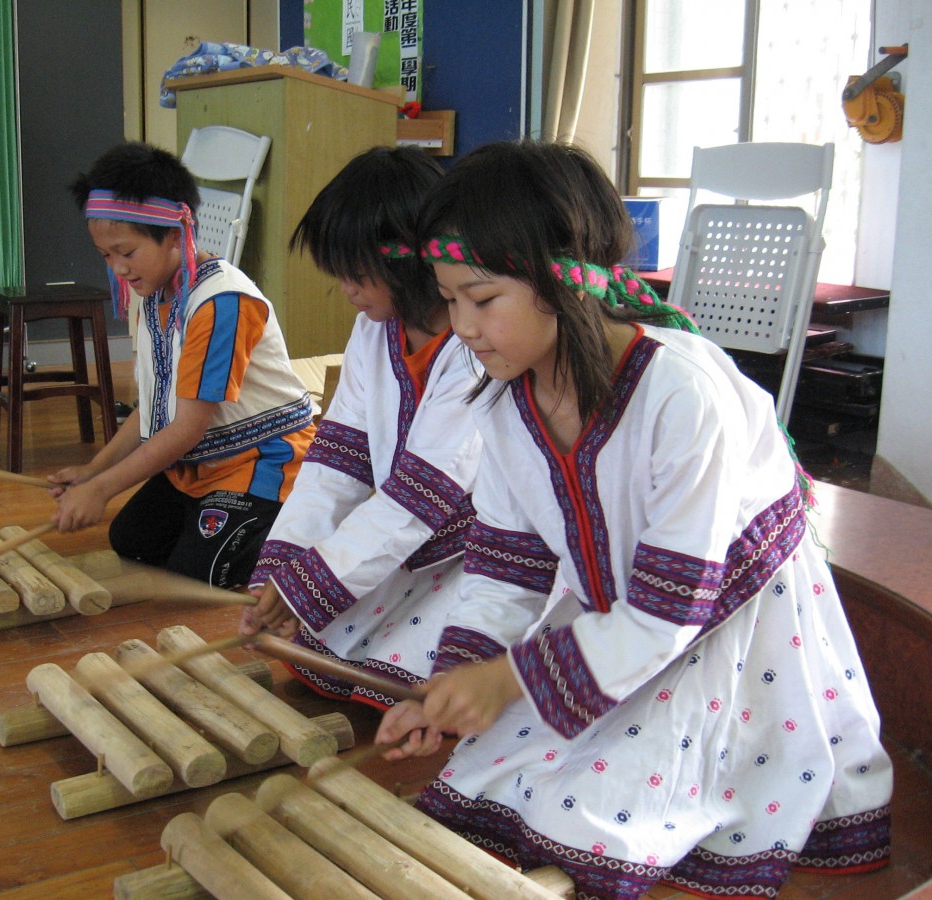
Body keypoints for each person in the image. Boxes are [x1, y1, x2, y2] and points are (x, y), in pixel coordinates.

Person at [376, 139, 893, 898]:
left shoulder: (682, 395)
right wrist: (455, 679)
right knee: (489, 780)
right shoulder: (507, 400)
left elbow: (672, 609)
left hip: (723, 623)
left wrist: (509, 677)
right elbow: (508, 567)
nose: (462, 327)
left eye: (482, 300)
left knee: (588, 812)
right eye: (450, 300)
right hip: (625, 618)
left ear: (564, 285)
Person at [239, 146, 483, 706]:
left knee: (419, 672)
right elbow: (337, 461)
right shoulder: (374, 329)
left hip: (476, 547)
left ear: (409, 264)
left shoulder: (477, 347)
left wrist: (307, 584)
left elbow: (421, 498)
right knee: (320, 640)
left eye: (357, 274)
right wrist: (282, 561)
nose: (346, 288)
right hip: (413, 533)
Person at [49, 142, 316, 589]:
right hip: (199, 468)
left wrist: (103, 489)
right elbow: (153, 409)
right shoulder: (155, 293)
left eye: (126, 252)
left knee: (194, 577)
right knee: (131, 542)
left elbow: (188, 428)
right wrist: (94, 471)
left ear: (175, 233)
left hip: (262, 465)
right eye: (106, 256)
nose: (117, 269)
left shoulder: (221, 302)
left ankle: (301, 527)